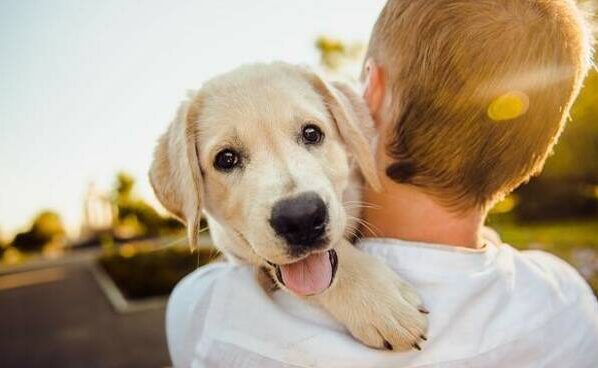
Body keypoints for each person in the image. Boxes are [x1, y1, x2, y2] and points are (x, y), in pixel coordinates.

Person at [166, 0, 598, 367]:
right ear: (533, 153)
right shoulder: (569, 305)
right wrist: (343, 273)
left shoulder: (210, 317)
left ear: (368, 93)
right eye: (228, 159)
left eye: (311, 135)